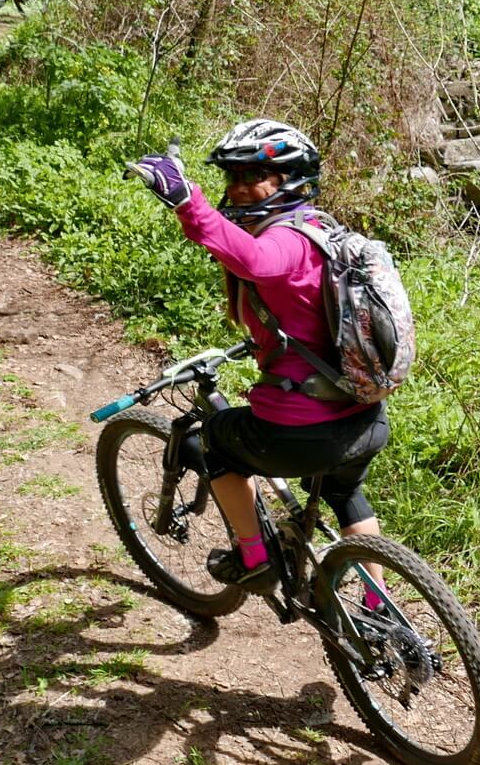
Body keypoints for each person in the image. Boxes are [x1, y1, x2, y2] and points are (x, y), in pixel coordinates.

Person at [129, 121, 392, 597]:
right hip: (365, 416)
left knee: (216, 443)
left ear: (289, 178)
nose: (240, 188)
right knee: (345, 492)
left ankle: (254, 560)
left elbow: (254, 261)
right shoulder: (320, 227)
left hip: (302, 429)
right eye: (233, 177)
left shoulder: (284, 241)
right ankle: (378, 605)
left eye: (255, 176)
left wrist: (189, 201)